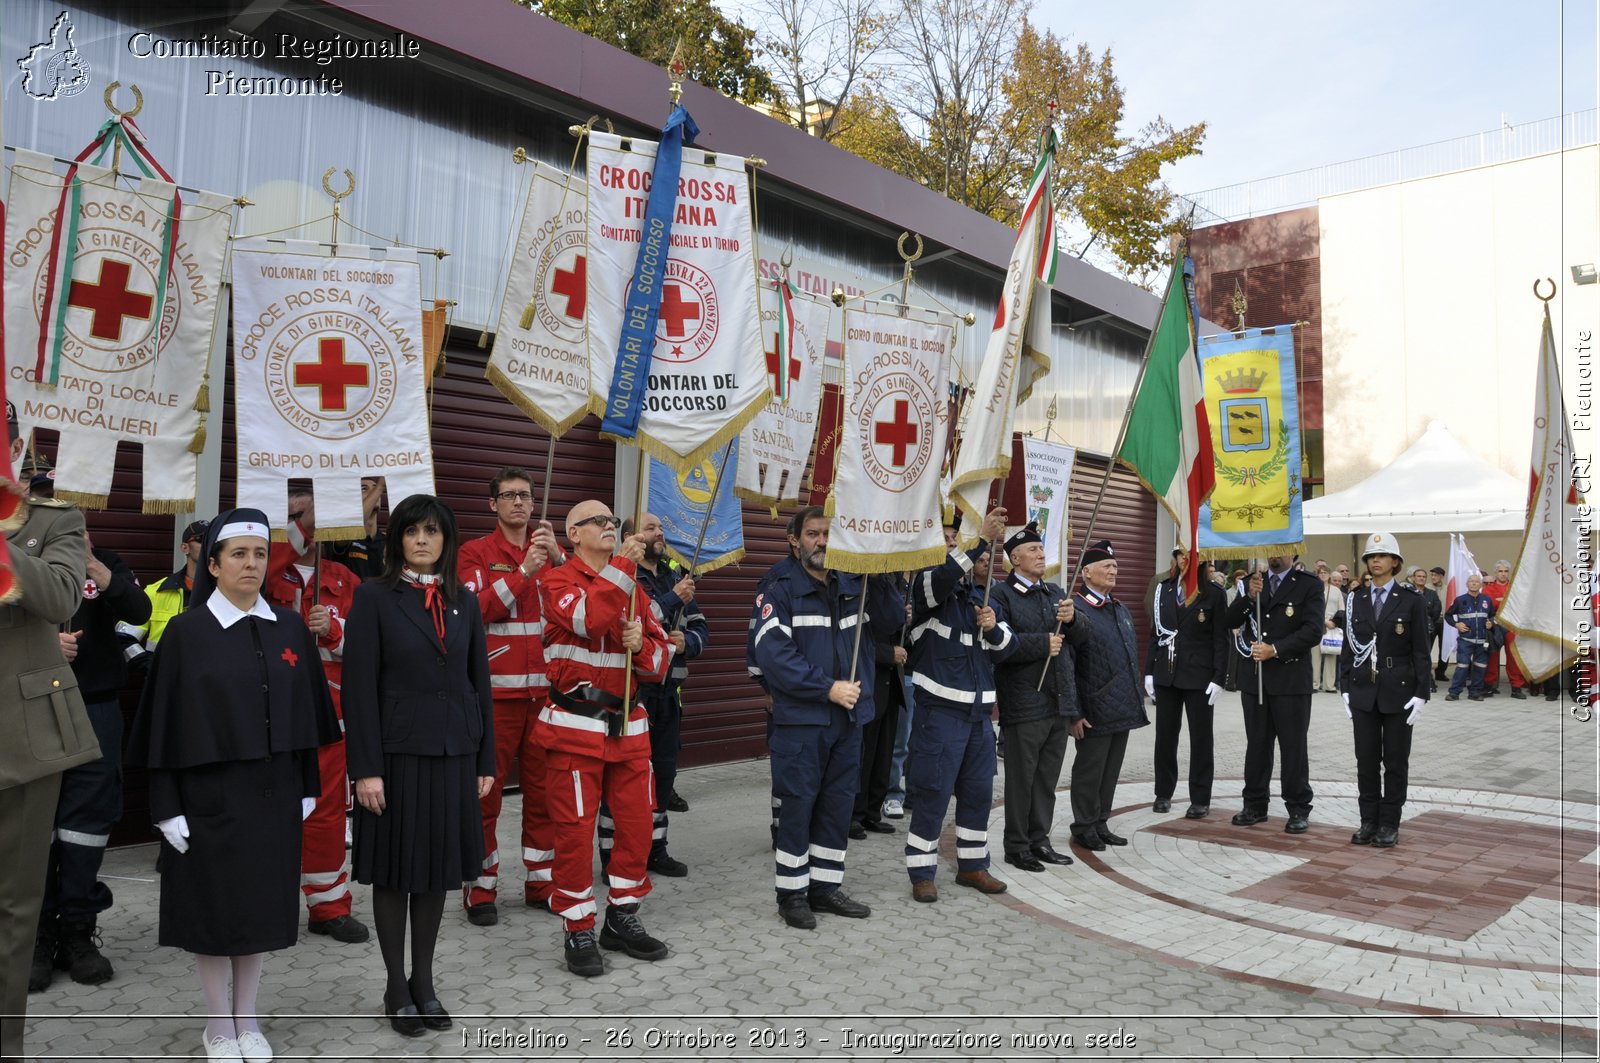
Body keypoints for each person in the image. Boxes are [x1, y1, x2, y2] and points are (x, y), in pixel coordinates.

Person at [125, 508, 339, 1062]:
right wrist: (166, 806)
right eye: (239, 554)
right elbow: (163, 726)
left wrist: (307, 784)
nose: (251, 564)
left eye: (260, 554)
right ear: (213, 564)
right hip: (208, 798)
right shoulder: (185, 634)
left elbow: (306, 718)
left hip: (273, 794)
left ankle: (249, 1018)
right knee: (215, 911)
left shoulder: (290, 626)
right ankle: (218, 1025)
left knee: (260, 910)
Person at [343, 494, 495, 1036]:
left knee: (435, 873)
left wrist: (486, 757)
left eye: (433, 531)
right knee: (395, 873)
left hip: (454, 754)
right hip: (395, 756)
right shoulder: (374, 598)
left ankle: (424, 982)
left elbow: (480, 683)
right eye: (412, 531)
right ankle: (394, 986)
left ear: (447, 541)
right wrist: (365, 769)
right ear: (398, 539)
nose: (423, 540)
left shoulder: (465, 602)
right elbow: (357, 691)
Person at [0, 403, 101, 1063]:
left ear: (15, 444)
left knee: (14, 907)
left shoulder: (55, 518)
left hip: (23, 737)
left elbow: (64, 594)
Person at [748, 506, 903, 929]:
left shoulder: (854, 581)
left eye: (828, 535)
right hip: (803, 720)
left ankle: (825, 886)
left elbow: (891, 621)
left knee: (837, 806)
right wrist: (827, 687)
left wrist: (880, 568)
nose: (822, 542)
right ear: (795, 540)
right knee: (799, 806)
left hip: (849, 720)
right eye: (814, 534)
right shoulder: (778, 587)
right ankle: (792, 894)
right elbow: (775, 655)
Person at [538, 500, 674, 975]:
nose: (611, 526)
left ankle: (621, 917)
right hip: (575, 728)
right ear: (573, 534)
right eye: (600, 521)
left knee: (637, 825)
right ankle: (578, 929)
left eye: (614, 522)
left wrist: (644, 648)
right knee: (574, 833)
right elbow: (589, 620)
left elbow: (660, 665)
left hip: (630, 731)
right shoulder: (556, 582)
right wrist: (623, 569)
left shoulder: (630, 584)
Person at [29, 519, 150, 992]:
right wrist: (40, 646)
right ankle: (38, 935)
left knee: (86, 826)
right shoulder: (16, 563)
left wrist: (95, 566)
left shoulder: (107, 563)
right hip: (34, 708)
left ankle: (78, 931)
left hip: (96, 707)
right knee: (37, 825)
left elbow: (138, 610)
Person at [264, 487, 370, 945]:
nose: (303, 507)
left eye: (310, 498)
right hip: (271, 715)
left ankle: (327, 905)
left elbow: (369, 650)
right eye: (295, 498)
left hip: (330, 716)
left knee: (326, 814)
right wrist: (301, 525)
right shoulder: (263, 567)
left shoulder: (348, 579)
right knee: (267, 810)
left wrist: (335, 631)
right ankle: (264, 903)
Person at [458, 467, 562, 925]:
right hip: (494, 699)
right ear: (493, 504)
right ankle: (480, 890)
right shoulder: (473, 553)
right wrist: (524, 572)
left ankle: (541, 882)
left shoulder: (551, 555)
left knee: (543, 795)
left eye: (525, 495)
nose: (518, 503)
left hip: (545, 696)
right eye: (509, 496)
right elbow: (474, 611)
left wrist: (561, 562)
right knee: (485, 796)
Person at [902, 509, 1013, 902]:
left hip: (980, 719)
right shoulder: (927, 586)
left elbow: (1006, 649)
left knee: (978, 793)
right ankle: (921, 871)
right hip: (941, 715)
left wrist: (993, 627)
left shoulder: (979, 598)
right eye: (949, 541)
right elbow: (944, 577)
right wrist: (979, 538)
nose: (954, 547)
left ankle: (972, 866)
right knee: (932, 793)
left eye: (957, 540)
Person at [606, 512, 707, 876]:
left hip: (669, 693)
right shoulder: (622, 574)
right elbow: (635, 618)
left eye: (662, 528)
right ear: (632, 536)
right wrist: (673, 598)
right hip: (634, 694)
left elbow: (701, 628)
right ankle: (611, 855)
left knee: (663, 774)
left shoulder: (675, 574)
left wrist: (686, 644)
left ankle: (656, 848)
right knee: (623, 778)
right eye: (651, 528)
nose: (660, 533)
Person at [988, 523, 1082, 868]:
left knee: (1046, 780)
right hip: (1024, 701)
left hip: (1057, 701)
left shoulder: (1055, 593)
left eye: (1042, 550)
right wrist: (1041, 644)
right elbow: (999, 644)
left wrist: (1073, 621)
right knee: (1022, 780)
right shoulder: (1001, 595)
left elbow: (1081, 639)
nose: (1042, 555)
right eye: (1033, 550)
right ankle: (1016, 845)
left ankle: (1039, 839)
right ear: (1014, 558)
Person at [1340, 533, 1431, 848]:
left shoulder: (1411, 600)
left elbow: (1421, 650)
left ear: (1395, 562)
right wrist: (1345, 686)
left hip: (1399, 690)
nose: (1374, 561)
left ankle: (1389, 823)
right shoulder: (1357, 599)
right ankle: (1368, 821)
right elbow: (1349, 647)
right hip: (1364, 689)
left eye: (1381, 556)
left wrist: (1422, 693)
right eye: (1370, 556)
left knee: (1394, 761)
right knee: (1365, 759)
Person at [1227, 555, 1324, 833]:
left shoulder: (1309, 585)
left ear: (1291, 552)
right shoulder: (1251, 582)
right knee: (1256, 744)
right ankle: (1255, 804)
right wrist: (1248, 597)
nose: (1274, 555)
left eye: (1280, 549)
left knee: (1293, 746)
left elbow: (1313, 630)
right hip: (1255, 679)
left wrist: (1276, 649)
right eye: (1271, 549)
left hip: (1291, 679)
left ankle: (1297, 807)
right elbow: (1230, 620)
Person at [1068, 540, 1149, 848]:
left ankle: (1101, 821)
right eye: (1107, 566)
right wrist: (1074, 713)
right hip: (1093, 708)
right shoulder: (1076, 609)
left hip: (1122, 707)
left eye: (1115, 566)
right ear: (1087, 572)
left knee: (1110, 770)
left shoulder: (1118, 607)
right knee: (1089, 771)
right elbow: (1068, 666)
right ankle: (1083, 825)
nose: (1114, 571)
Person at [1146, 552, 1227, 819]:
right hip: (1167, 674)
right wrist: (1148, 672)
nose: (1183, 561)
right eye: (1180, 555)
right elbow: (1155, 633)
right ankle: (1163, 793)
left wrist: (1219, 677)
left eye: (1189, 556)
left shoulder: (1213, 593)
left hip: (1199, 677)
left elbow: (1220, 639)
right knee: (1165, 737)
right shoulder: (1164, 590)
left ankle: (1200, 797)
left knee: (1201, 738)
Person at [852, 571, 906, 840]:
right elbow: (850, 639)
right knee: (864, 752)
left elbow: (896, 620)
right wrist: (887, 654)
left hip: (889, 683)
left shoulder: (887, 580)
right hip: (866, 681)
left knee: (883, 752)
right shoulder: (852, 582)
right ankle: (854, 815)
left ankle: (872, 812)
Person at [129, 520, 210, 662]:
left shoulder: (226, 593)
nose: (209, 545)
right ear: (185, 548)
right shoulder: (156, 592)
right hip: (166, 680)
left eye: (213, 540)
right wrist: (149, 667)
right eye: (202, 540)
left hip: (209, 680)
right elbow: (124, 638)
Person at [1443, 574, 1496, 701]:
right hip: (1465, 640)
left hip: (1482, 641)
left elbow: (1493, 616)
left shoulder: (1487, 600)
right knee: (1462, 666)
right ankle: (1454, 692)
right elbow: (1448, 615)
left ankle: (1475, 692)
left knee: (1480, 667)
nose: (1474, 583)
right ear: (1467, 584)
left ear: (1481, 585)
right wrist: (1456, 624)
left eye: (1476, 581)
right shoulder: (1460, 600)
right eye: (1471, 581)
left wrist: (1491, 623)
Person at [325, 476, 387, 580]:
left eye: (375, 488)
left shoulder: (389, 541)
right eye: (364, 489)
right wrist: (380, 487)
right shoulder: (339, 533)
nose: (374, 494)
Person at [1481, 560, 1526, 698]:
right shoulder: (1488, 588)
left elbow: (1519, 605)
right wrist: (1501, 601)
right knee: (1493, 656)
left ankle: (1516, 687)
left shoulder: (1515, 587)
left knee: (1513, 657)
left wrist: (1499, 601)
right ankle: (1489, 685)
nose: (1503, 574)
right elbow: (1488, 606)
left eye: (1506, 571)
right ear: (1495, 573)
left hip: (1511, 624)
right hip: (1494, 624)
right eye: (1500, 571)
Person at [1312, 562, 1344, 693]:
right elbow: (1311, 608)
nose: (1323, 574)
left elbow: (1341, 609)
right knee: (1315, 655)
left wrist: (1334, 622)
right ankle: (1314, 684)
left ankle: (1329, 685)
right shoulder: (1314, 588)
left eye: (1325, 572)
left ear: (1329, 575)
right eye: (1321, 572)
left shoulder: (1336, 590)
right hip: (1317, 623)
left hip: (1332, 624)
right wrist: (1325, 621)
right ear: (1318, 575)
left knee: (1332, 653)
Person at [1428, 567, 1449, 681]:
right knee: (1427, 647)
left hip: (1444, 623)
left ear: (1441, 577)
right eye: (1432, 575)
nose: (1433, 577)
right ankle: (1427, 671)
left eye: (1435, 575)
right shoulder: (1426, 588)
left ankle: (1441, 672)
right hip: (1431, 621)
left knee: (1444, 648)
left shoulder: (1448, 589)